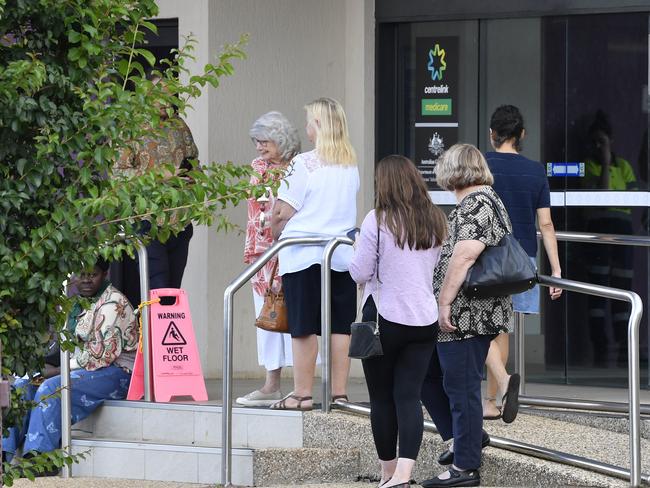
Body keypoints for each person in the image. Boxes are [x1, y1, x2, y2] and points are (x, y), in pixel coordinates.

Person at [349, 155, 447, 488]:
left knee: (381, 397)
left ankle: (387, 474)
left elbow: (360, 272)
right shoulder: (435, 219)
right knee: (409, 396)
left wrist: (356, 248)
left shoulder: (376, 221)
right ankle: (405, 475)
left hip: (384, 320)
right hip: (424, 319)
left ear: (384, 184)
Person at [420, 144, 511, 488]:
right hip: (466, 311)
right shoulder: (480, 201)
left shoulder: (478, 203)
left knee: (462, 389)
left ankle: (465, 467)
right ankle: (464, 438)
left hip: (467, 313)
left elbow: (465, 255)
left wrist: (444, 302)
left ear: (454, 171)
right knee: (427, 375)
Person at [270, 97, 359, 411]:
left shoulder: (302, 163)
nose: (306, 126)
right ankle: (338, 393)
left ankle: (302, 393)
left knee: (304, 325)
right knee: (340, 326)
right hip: (340, 254)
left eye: (309, 121)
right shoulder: (350, 164)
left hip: (303, 251)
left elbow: (283, 212)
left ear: (318, 125)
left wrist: (273, 221)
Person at [2, 259, 138, 464]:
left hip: (116, 371)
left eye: (92, 275)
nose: (86, 280)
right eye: (81, 275)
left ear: (104, 275)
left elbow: (100, 355)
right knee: (23, 384)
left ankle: (40, 458)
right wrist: (42, 366)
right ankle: (4, 453)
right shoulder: (75, 303)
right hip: (76, 367)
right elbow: (64, 345)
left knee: (52, 387)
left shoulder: (114, 302)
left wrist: (57, 370)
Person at [483, 105, 562, 421]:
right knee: (502, 326)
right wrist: (555, 271)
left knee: (484, 326)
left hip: (487, 255)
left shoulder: (483, 166)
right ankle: (497, 397)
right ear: (522, 135)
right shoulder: (535, 171)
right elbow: (546, 225)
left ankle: (493, 397)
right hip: (522, 258)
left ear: (493, 134)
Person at [112, 76, 199, 307]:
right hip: (147, 220)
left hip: (179, 220)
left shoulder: (179, 125)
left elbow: (193, 161)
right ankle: (153, 341)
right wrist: (160, 177)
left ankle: (166, 342)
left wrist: (192, 177)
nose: (165, 101)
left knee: (172, 291)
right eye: (159, 95)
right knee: (157, 289)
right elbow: (118, 175)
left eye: (169, 95)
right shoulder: (130, 128)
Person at [235, 112, 300, 407]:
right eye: (257, 141)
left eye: (265, 141)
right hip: (263, 251)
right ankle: (271, 383)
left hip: (293, 248)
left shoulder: (300, 166)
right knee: (267, 315)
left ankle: (302, 385)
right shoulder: (258, 167)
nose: (259, 147)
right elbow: (257, 210)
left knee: (298, 314)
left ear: (281, 140)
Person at [582, 110, 637, 367]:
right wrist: (603, 162)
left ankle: (626, 350)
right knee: (598, 290)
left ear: (611, 141)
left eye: (601, 142)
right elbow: (602, 193)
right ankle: (601, 350)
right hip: (600, 227)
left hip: (622, 229)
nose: (597, 146)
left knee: (622, 289)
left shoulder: (624, 166)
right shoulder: (589, 166)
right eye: (594, 142)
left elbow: (634, 197)